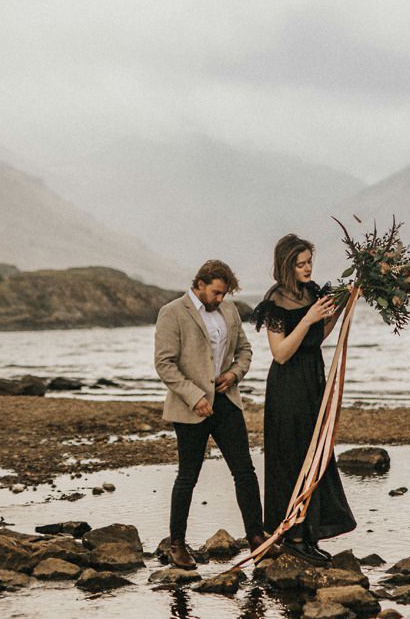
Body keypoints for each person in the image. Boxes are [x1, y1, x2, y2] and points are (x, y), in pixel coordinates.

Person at [153, 259, 273, 569]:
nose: (221, 299)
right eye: (217, 293)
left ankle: (256, 537)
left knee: (244, 471)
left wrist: (234, 374)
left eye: (224, 294)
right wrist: (194, 397)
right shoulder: (172, 313)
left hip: (226, 402)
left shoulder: (230, 311)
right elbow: (165, 364)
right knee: (188, 477)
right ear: (201, 284)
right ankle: (177, 544)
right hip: (190, 408)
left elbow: (245, 350)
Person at [254, 234, 357, 564]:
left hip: (314, 380)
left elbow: (319, 337)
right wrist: (310, 318)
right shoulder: (274, 301)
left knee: (317, 455)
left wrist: (341, 308)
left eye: (310, 261)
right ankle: (293, 536)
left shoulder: (314, 293)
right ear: (286, 266)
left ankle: (309, 533)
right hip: (288, 386)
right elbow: (281, 353)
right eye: (301, 264)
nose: (308, 268)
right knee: (293, 455)